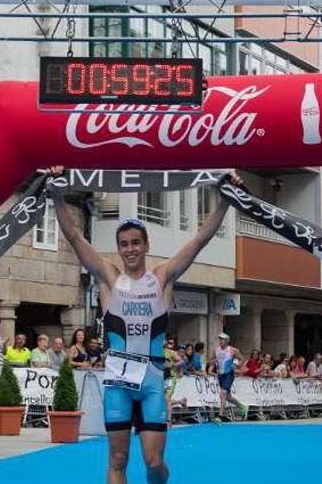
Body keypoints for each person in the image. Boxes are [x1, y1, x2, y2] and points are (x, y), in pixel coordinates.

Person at [50, 165, 241, 484]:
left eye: (136, 242)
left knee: (154, 463)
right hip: (117, 385)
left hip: (152, 382)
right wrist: (56, 192)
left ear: (146, 245)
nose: (130, 249)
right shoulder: (109, 277)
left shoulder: (162, 277)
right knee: (118, 459)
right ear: (119, 248)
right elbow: (73, 235)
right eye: (124, 243)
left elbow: (200, 239)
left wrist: (225, 199)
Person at [208, 332, 249, 423]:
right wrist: (215, 362)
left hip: (229, 374)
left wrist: (236, 366)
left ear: (227, 341)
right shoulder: (216, 350)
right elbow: (210, 360)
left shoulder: (232, 350)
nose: (220, 341)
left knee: (222, 393)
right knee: (228, 397)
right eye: (220, 339)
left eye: (222, 339)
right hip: (220, 375)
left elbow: (242, 359)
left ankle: (220, 416)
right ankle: (243, 407)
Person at [164, 340, 188, 427]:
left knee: (167, 398)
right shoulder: (156, 352)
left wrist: (173, 364)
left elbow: (182, 361)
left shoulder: (171, 352)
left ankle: (168, 422)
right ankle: (181, 401)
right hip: (160, 378)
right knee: (163, 400)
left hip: (170, 377)